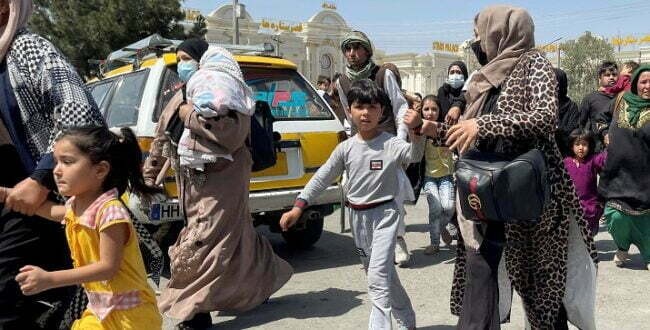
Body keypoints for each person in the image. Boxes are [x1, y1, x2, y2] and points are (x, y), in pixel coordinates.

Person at [407, 5, 597, 329]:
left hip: (532, 199)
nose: (477, 43)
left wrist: (484, 125)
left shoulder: (533, 63)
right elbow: (466, 132)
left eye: (480, 35)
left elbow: (544, 118)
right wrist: (430, 128)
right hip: (486, 194)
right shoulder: (484, 78)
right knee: (481, 280)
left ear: (501, 33)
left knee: (539, 292)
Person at [143, 40, 293, 330]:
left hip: (224, 178)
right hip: (192, 182)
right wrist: (149, 175)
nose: (181, 65)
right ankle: (265, 280)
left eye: (187, 58)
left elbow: (230, 134)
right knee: (236, 236)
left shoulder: (224, 95)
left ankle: (194, 310)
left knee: (203, 240)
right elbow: (162, 136)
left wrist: (189, 114)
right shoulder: (181, 96)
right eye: (178, 60)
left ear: (201, 60)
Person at [280, 79, 423, 330]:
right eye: (359, 106)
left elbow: (414, 155)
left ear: (382, 112)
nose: (365, 113)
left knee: (377, 279)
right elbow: (322, 177)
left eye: (372, 107)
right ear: (350, 111)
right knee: (381, 276)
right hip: (358, 219)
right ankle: (406, 317)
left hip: (386, 216)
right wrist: (298, 206)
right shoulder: (345, 148)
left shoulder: (390, 143)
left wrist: (415, 131)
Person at [0, 0, 106, 328]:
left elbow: (79, 112)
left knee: (6, 290)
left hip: (34, 194)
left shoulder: (26, 49)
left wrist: (41, 177)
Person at [1, 126, 162, 329]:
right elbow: (49, 211)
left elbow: (107, 268)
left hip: (130, 317)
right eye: (56, 161)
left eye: (67, 162)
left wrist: (49, 279)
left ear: (100, 170)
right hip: (101, 311)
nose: (57, 170)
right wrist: (8, 195)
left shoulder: (110, 212)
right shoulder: (76, 207)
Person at [331, 30, 414, 267]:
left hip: (387, 142)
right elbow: (348, 116)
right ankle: (369, 245)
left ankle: (398, 240)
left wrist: (399, 141)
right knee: (354, 190)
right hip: (360, 145)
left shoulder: (383, 74)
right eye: (348, 49)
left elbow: (399, 107)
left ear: (367, 50)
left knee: (393, 192)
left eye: (357, 48)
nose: (352, 53)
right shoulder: (342, 81)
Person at [598, 65, 650, 270]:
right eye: (644, 81)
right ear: (636, 82)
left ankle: (648, 255)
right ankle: (622, 246)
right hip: (617, 173)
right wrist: (603, 133)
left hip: (644, 177)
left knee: (645, 221)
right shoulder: (621, 100)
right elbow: (600, 118)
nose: (647, 86)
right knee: (614, 215)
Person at [420, 95, 454, 254]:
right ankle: (434, 243)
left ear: (440, 111)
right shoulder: (419, 132)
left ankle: (440, 228)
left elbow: (458, 144)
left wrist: (451, 148)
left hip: (446, 176)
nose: (430, 112)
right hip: (429, 178)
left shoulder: (445, 129)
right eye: (426, 109)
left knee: (448, 207)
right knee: (435, 208)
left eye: (434, 109)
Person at [563, 129, 607, 237]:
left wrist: (609, 143)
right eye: (577, 144)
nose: (581, 148)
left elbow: (605, 158)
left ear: (590, 146)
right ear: (571, 146)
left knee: (589, 238)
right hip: (571, 210)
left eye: (584, 144)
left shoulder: (593, 160)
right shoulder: (565, 162)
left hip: (590, 210)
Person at [579, 61, 618, 151]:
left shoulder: (621, 97)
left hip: (619, 147)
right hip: (597, 149)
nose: (611, 77)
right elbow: (581, 124)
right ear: (599, 78)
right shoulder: (590, 98)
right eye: (607, 75)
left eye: (614, 74)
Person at [554, 68, 582, 157]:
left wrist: (556, 131)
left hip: (564, 154)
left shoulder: (571, 106)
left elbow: (573, 130)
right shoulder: (542, 104)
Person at [437, 61, 468, 125]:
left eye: (458, 72)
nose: (455, 75)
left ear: (464, 76)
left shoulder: (470, 93)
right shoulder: (442, 92)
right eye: (452, 72)